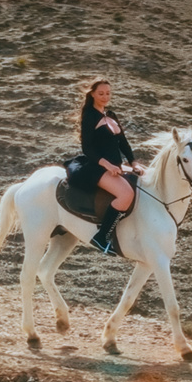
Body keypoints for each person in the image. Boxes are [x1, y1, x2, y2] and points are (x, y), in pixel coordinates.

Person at [66, 77, 144, 254]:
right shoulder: (90, 117)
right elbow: (87, 148)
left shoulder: (110, 116)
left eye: (108, 93)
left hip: (116, 165)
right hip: (97, 167)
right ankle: (101, 237)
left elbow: (123, 143)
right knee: (126, 194)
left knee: (145, 179)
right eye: (101, 93)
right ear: (92, 94)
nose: (105, 97)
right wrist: (107, 165)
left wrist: (133, 162)